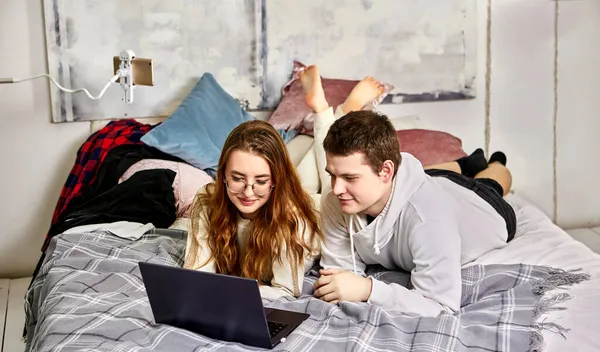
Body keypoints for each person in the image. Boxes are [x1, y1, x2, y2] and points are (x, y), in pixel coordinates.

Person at [300, 65, 516, 316]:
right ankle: (465, 164)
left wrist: (370, 290)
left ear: (386, 171)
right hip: (430, 178)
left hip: (482, 205)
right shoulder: (337, 196)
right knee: (429, 174)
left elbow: (440, 305)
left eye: (349, 177)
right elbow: (340, 276)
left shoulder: (428, 216)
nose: (336, 189)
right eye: (332, 175)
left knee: (491, 183)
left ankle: (495, 162)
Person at [183, 120, 322, 299]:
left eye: (261, 181)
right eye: (237, 178)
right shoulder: (206, 201)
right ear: (223, 173)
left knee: (322, 180)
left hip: (314, 217)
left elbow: (287, 291)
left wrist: (235, 289)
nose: (248, 193)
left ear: (275, 180)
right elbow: (196, 275)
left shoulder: (291, 219)